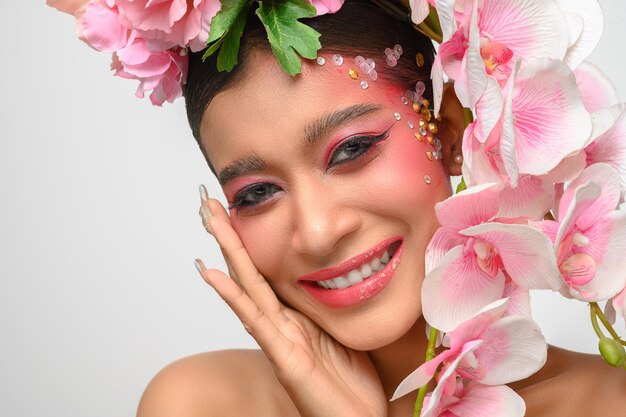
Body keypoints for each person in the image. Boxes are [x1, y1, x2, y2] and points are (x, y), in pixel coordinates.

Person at [127, 2, 626, 417]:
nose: (319, 232)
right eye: (257, 193)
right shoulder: (201, 404)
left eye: (352, 149)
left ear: (451, 131)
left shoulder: (608, 402)